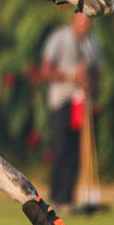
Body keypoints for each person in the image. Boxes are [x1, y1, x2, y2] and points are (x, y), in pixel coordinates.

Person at [41, 12, 100, 208]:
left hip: (82, 101)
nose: (86, 25)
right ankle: (55, 194)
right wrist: (71, 77)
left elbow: (96, 73)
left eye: (89, 22)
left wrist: (89, 84)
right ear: (74, 20)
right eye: (83, 21)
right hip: (61, 100)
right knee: (61, 147)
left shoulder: (92, 44)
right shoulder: (59, 38)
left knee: (77, 150)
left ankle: (68, 195)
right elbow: (46, 70)